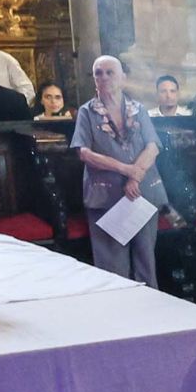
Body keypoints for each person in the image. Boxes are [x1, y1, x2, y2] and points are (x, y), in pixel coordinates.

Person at [70, 54, 165, 286]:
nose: (104, 77)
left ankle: (152, 312)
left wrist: (136, 176)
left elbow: (153, 146)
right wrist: (126, 170)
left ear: (123, 77)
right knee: (112, 265)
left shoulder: (138, 109)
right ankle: (119, 313)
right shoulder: (87, 112)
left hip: (141, 193)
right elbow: (84, 152)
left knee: (146, 259)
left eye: (110, 72)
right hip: (106, 195)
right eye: (98, 73)